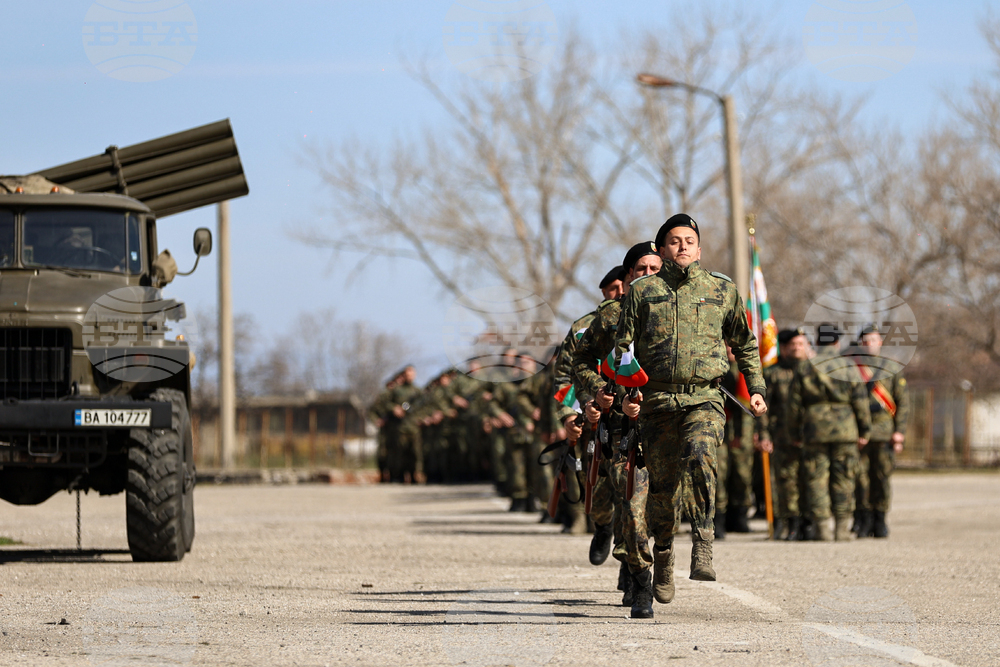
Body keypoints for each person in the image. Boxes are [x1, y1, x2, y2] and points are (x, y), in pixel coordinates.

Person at [615, 214, 767, 618]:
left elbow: (745, 343)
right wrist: (628, 394)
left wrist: (756, 388)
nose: (682, 246)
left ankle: (703, 541)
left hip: (704, 398)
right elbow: (622, 350)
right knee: (662, 491)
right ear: (662, 249)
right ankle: (664, 552)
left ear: (699, 249)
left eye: (689, 241)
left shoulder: (722, 290)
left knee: (701, 454)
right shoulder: (643, 292)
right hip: (658, 402)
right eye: (674, 241)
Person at [573, 242, 662, 610]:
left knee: (662, 510)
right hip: (623, 428)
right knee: (630, 506)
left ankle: (659, 556)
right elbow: (580, 362)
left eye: (655, 268)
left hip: (669, 423)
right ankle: (639, 578)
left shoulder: (686, 309)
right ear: (629, 277)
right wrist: (596, 395)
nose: (649, 275)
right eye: (641, 269)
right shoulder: (610, 316)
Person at [788, 324, 871, 541]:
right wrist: (865, 430)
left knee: (816, 477)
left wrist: (794, 432)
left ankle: (822, 529)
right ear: (836, 342)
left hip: (814, 429)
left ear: (817, 341)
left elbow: (793, 404)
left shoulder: (805, 367)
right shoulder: (849, 366)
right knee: (844, 477)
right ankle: (842, 529)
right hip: (845, 430)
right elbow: (860, 401)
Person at [850, 324, 909, 538]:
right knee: (860, 478)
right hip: (860, 434)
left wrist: (899, 432)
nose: (869, 344)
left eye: (873, 340)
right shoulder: (853, 368)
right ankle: (863, 519)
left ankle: (880, 518)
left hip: (884, 433)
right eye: (865, 341)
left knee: (881, 477)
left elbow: (902, 402)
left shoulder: (891, 368)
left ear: (880, 342)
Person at [757, 328, 811, 539]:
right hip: (782, 436)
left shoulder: (814, 371)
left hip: (811, 436)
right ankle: (790, 522)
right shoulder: (773, 373)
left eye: (800, 344)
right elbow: (764, 407)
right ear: (785, 348)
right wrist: (764, 435)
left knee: (810, 479)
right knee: (786, 480)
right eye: (792, 345)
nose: (797, 348)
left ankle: (809, 522)